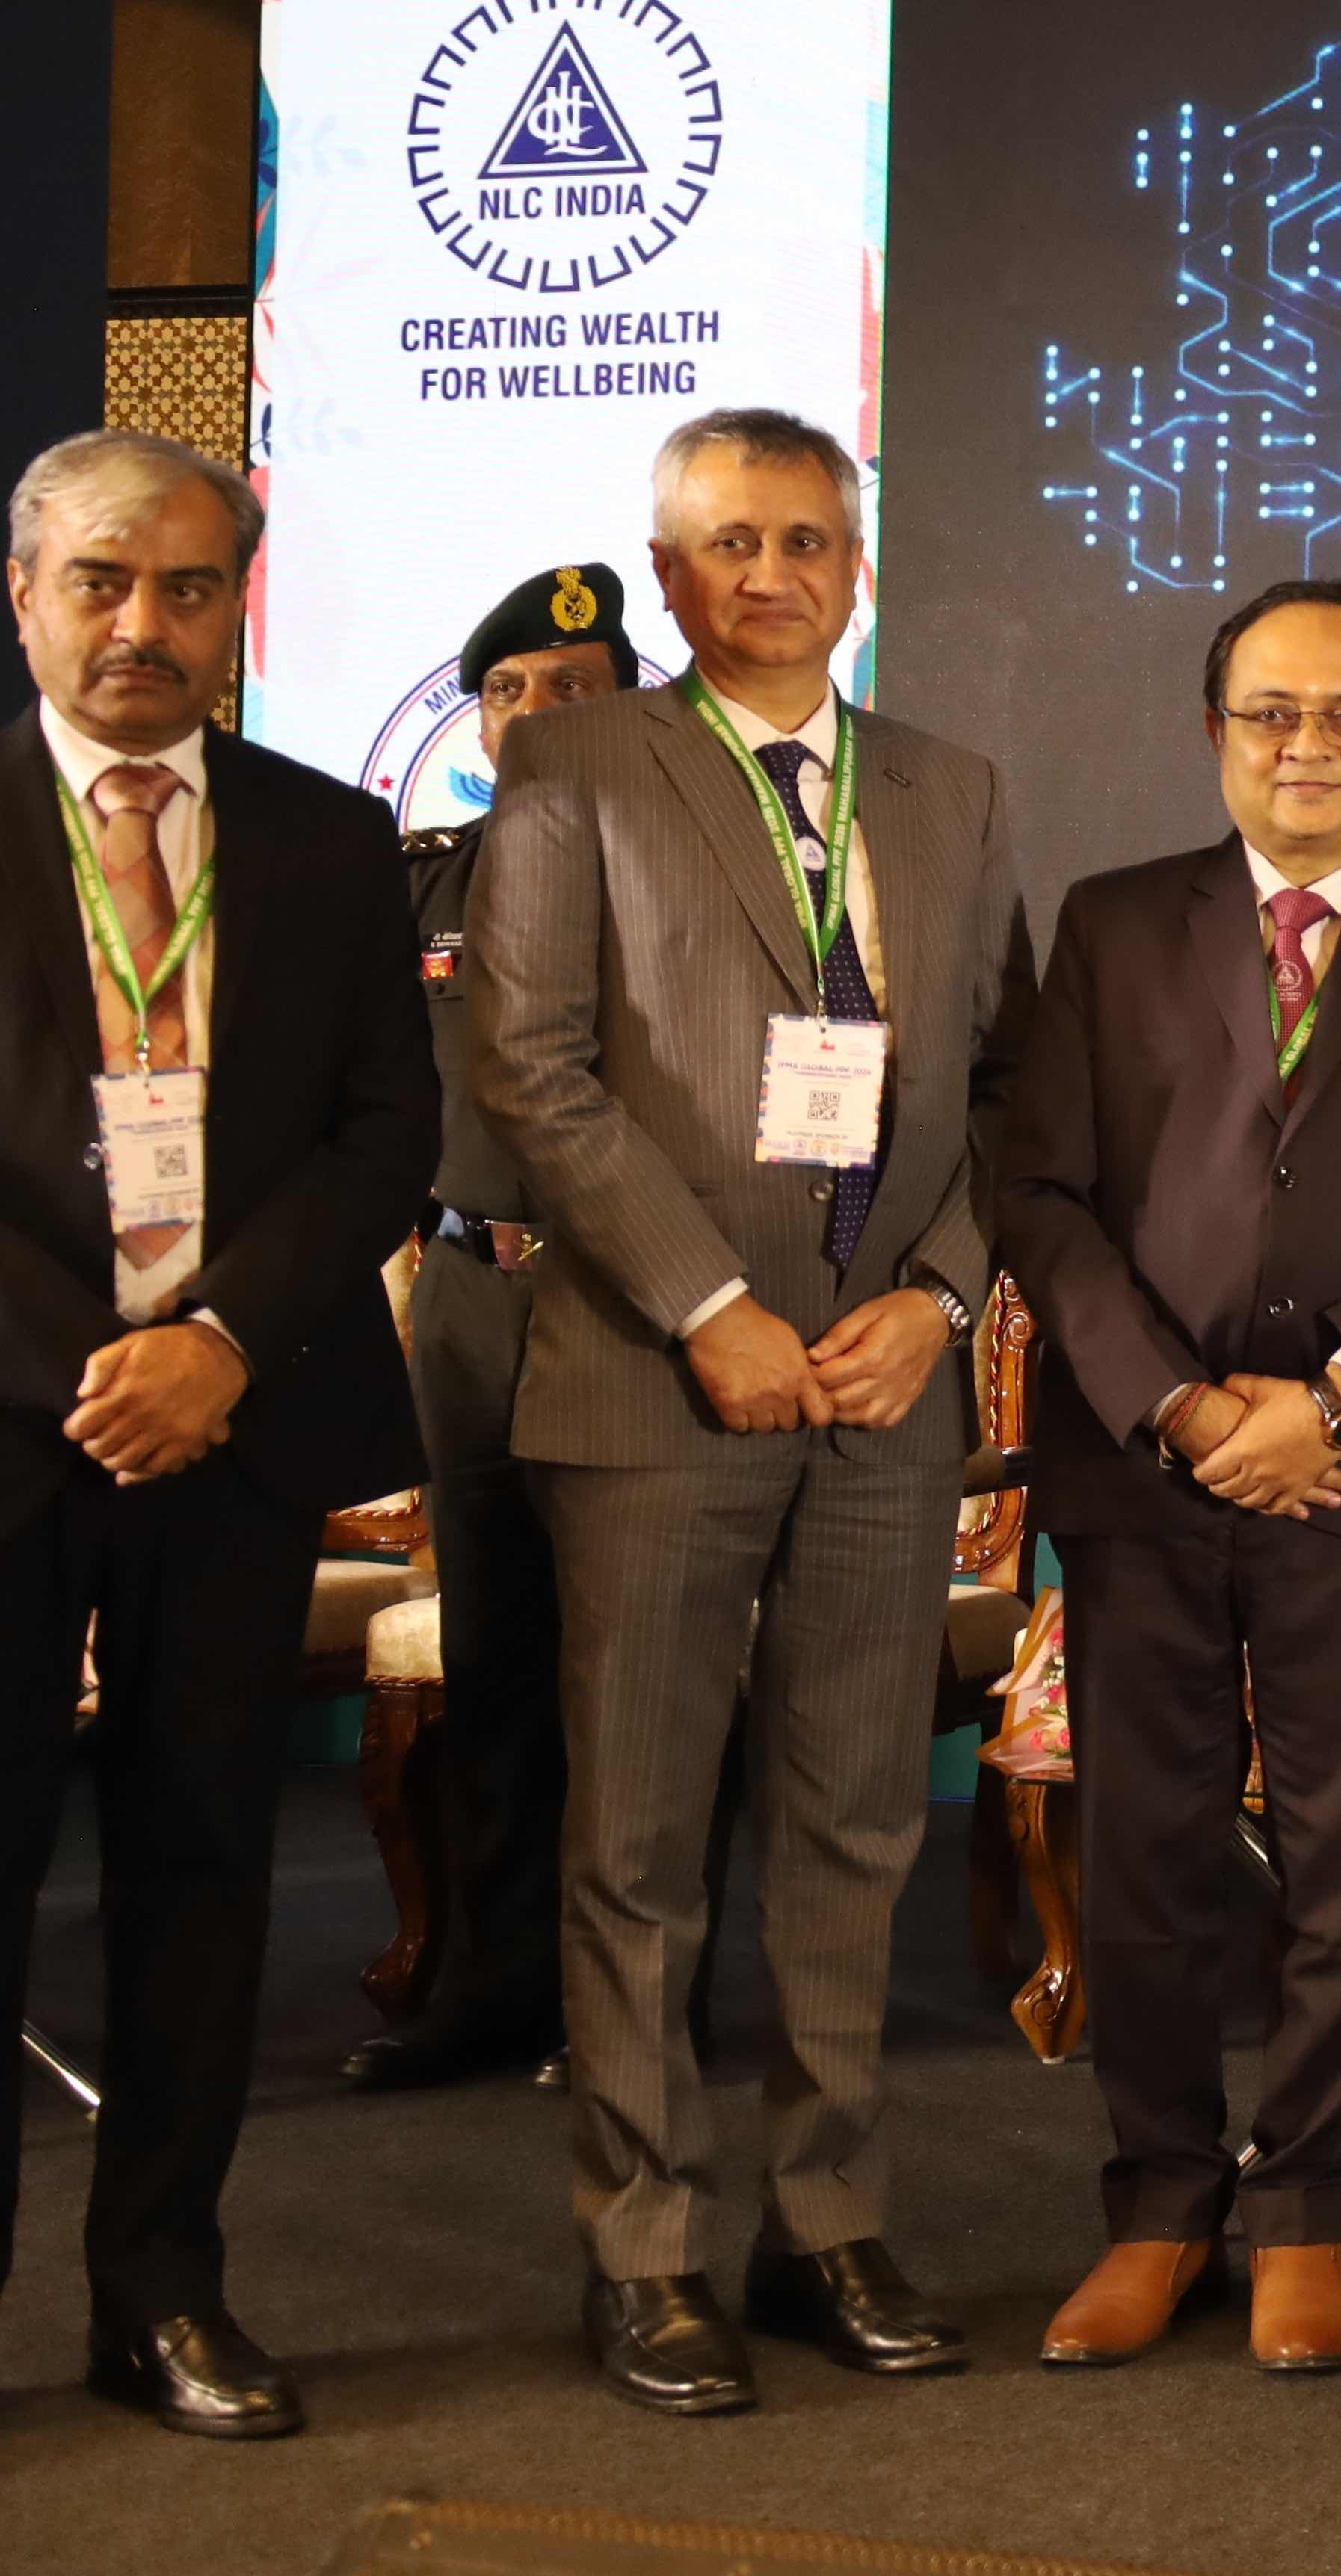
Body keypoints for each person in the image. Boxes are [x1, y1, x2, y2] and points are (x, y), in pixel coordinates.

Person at [474, 406, 1035, 2415]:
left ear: (854, 568)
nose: (769, 574)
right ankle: (643, 2251)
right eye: (727, 542)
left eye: (804, 539)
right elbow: (533, 1069)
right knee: (636, 1842)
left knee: (855, 1824)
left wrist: (936, 1300)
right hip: (657, 1381)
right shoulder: (574, 771)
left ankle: (826, 2222)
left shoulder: (952, 789)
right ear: (670, 571)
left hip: (881, 1387)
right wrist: (707, 1304)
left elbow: (1010, 1088)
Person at [996, 578, 1341, 2374]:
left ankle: (1309, 2203)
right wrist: (1176, 1404)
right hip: (1144, 1464)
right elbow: (1042, 1192)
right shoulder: (1111, 921)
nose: (1311, 745)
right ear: (1215, 731)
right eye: (1273, 712)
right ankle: (1158, 2201)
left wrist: (1338, 1398)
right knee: (1145, 1848)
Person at [0, 430, 435, 2439]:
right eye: (100, 580)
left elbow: (386, 1130)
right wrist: (99, 1367)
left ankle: (163, 2288)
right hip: (18, 1424)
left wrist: (220, 1345)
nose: (141, 624)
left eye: (186, 587)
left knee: (202, 1872)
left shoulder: (328, 838)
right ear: (25, 592)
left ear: (233, 607)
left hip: (237, 1434)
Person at [348, 562, 636, 2098]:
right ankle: (494, 1986)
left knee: (639, 1671)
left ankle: (631, 2006)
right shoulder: (426, 885)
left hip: (634, 1301)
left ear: (634, 712)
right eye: (509, 691)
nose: (534, 714)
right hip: (468, 1297)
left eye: (572, 689)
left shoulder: (692, 878)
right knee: (501, 1657)